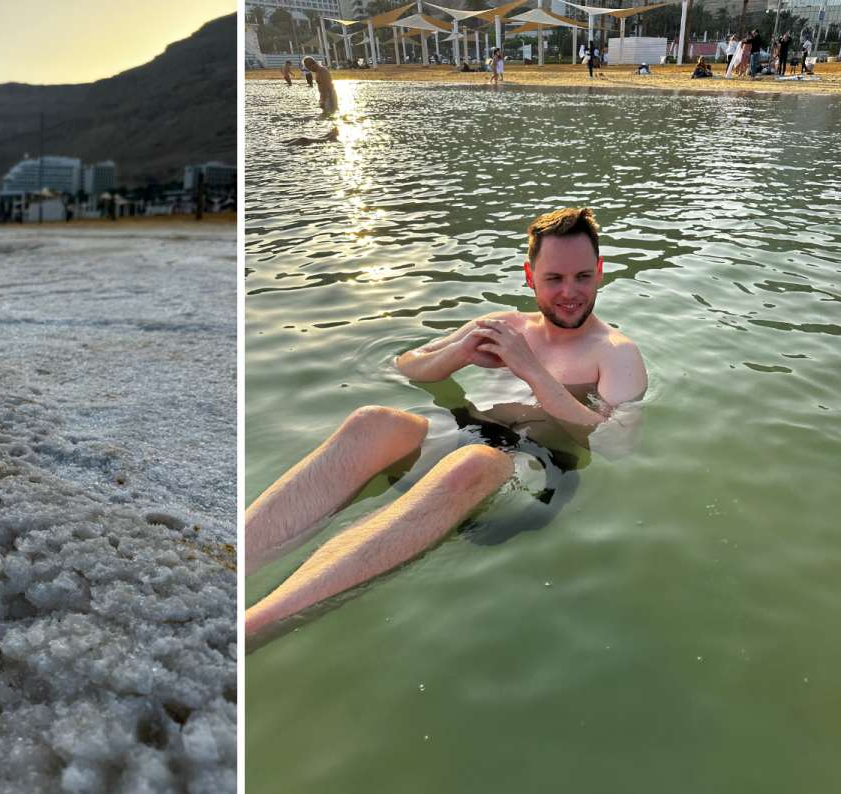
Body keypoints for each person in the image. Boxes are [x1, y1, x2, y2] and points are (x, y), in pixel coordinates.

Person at [245, 208, 648, 636]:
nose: (570, 292)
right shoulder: (507, 327)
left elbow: (618, 443)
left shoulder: (615, 353)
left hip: (534, 463)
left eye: (582, 277)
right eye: (554, 279)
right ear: (530, 277)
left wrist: (533, 371)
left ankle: (257, 625)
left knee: (473, 463)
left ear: (599, 271)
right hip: (464, 431)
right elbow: (407, 365)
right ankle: (236, 559)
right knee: (370, 422)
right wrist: (457, 354)